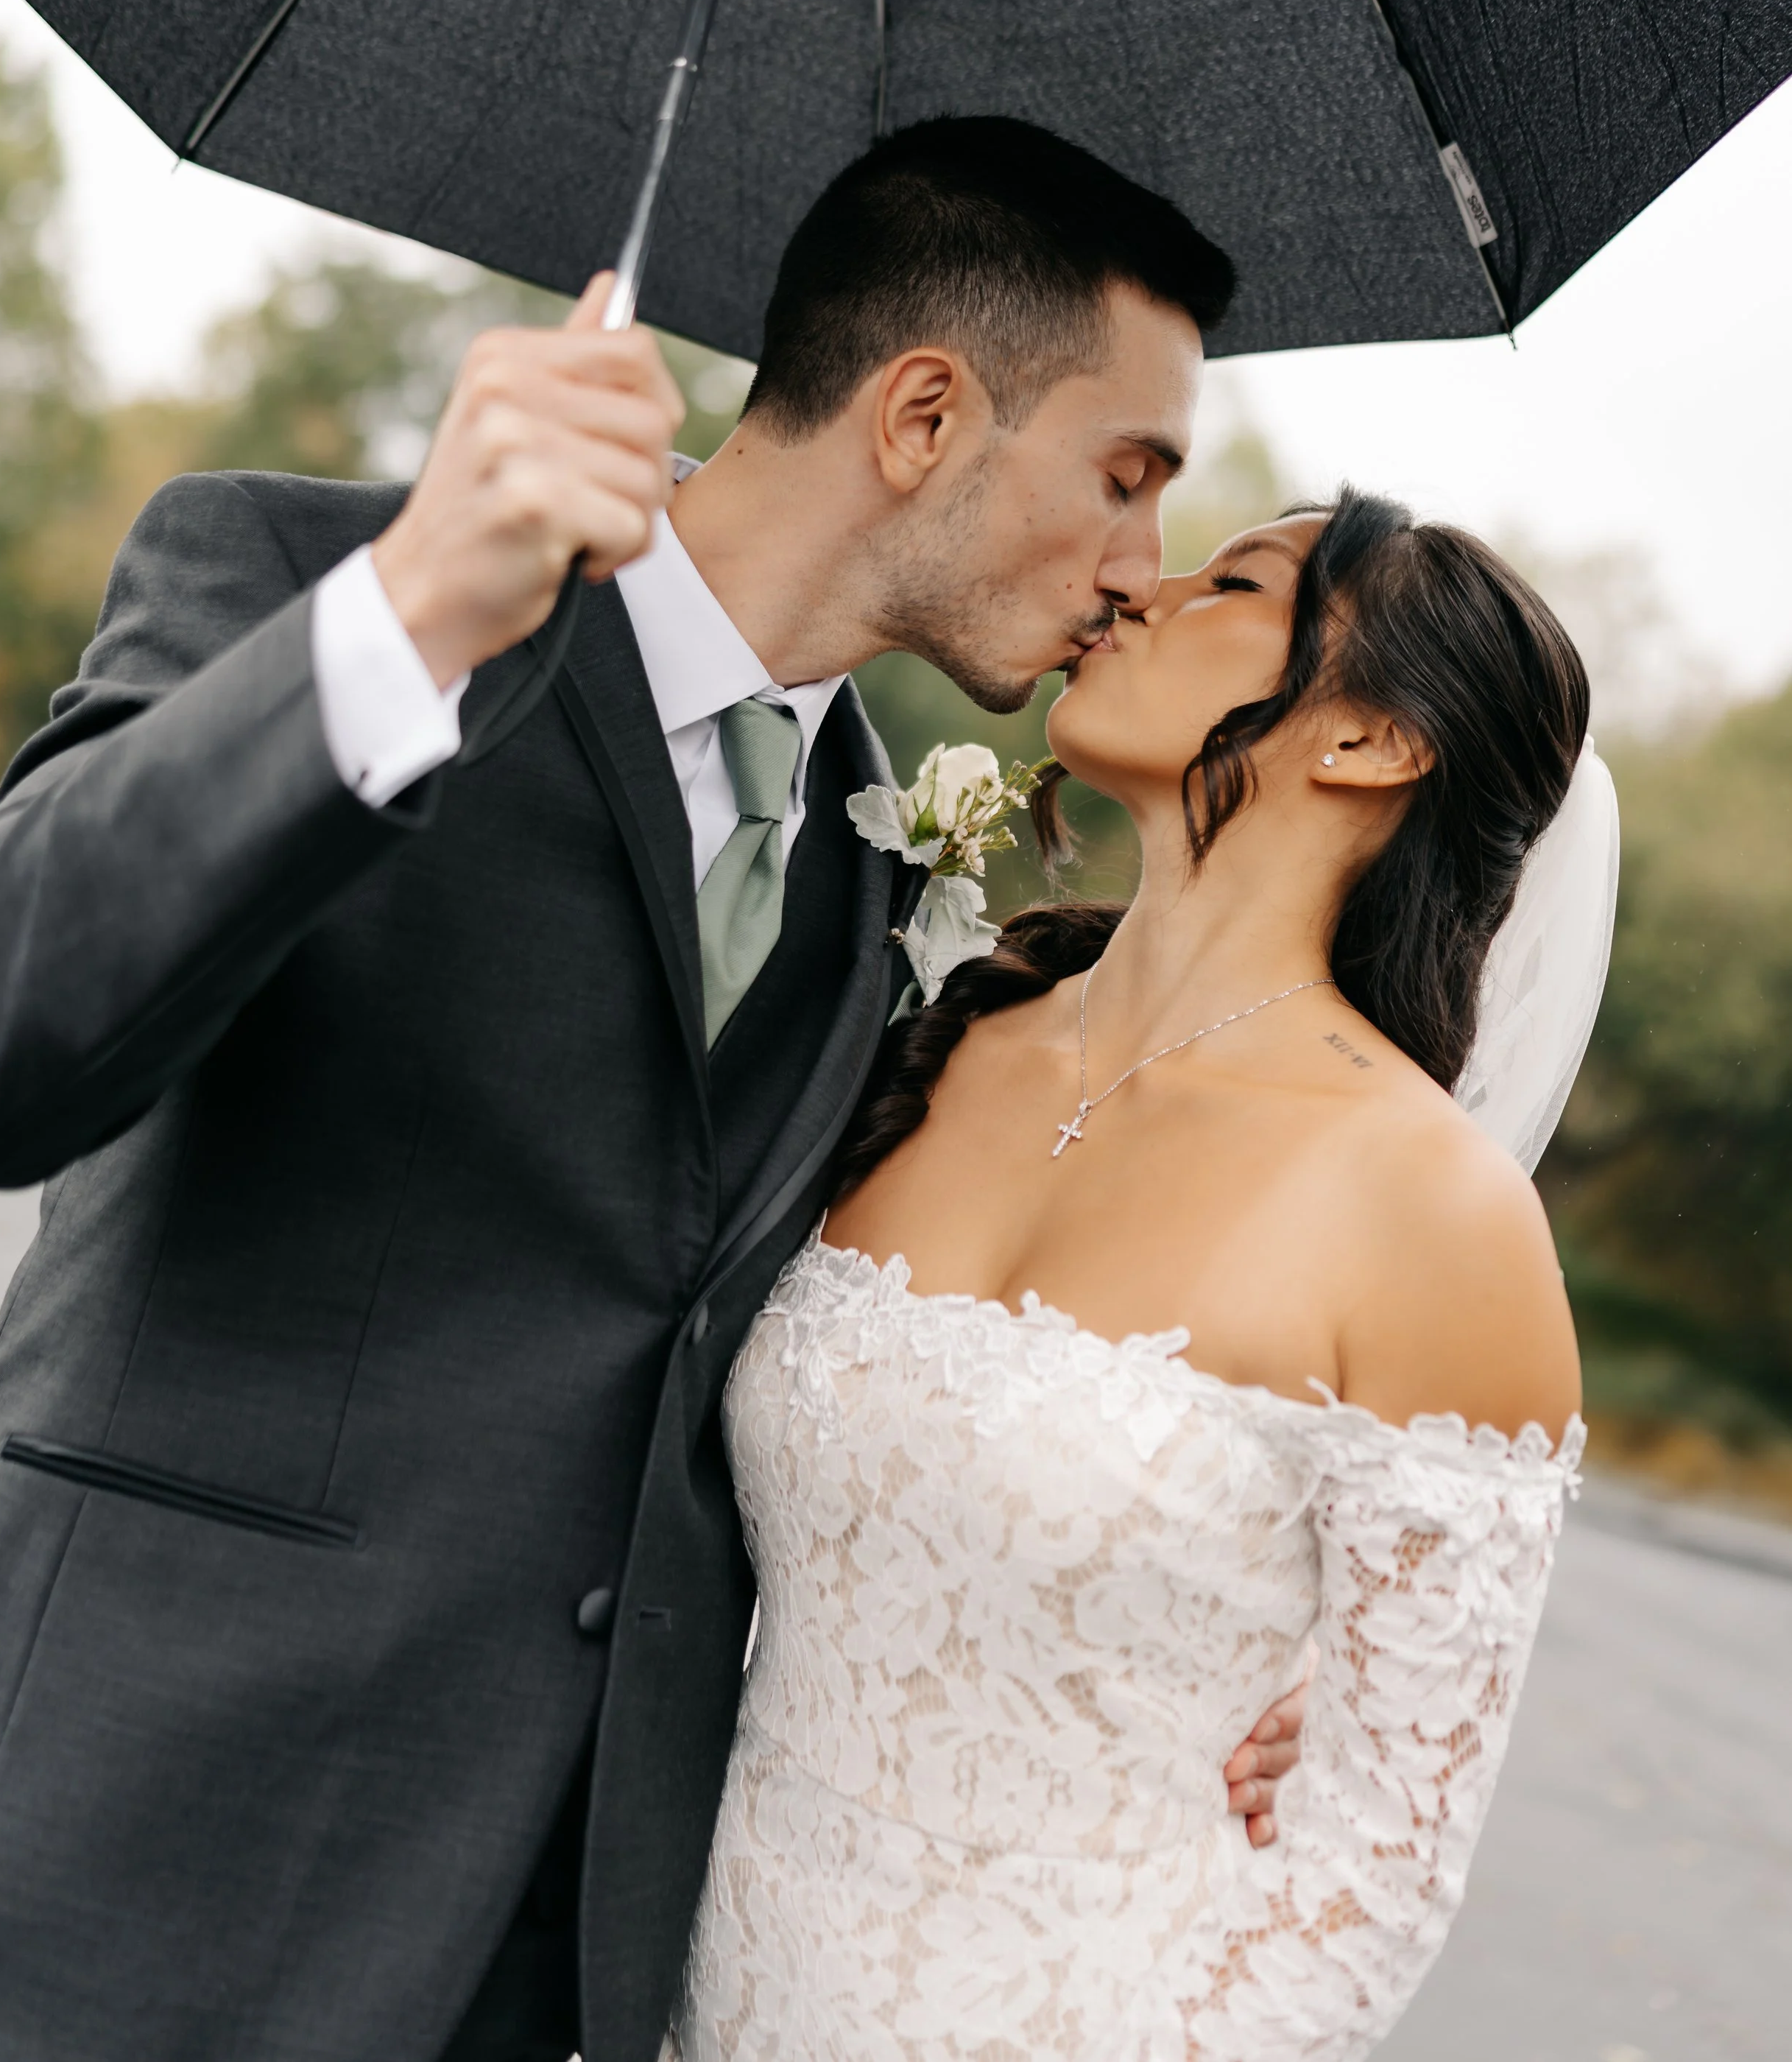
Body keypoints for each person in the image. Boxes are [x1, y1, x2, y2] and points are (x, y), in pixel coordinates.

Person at [0, 122, 1308, 2062]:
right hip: (128, 1873)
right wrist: (418, 608)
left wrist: (1180, 1640)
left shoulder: (868, 878)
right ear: (921, 413)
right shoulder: (302, 578)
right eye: (1124, 475)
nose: (1135, 570)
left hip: (537, 1977)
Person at [669, 492, 1592, 2061]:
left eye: (1234, 582)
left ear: (1370, 742)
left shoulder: (1434, 1218)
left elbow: (1371, 1876)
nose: (1139, 591)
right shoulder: (928, 1043)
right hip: (692, 1988)